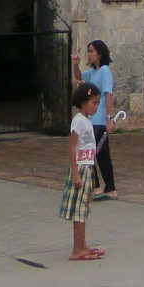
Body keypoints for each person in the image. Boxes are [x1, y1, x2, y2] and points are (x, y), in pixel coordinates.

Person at [61, 82, 104, 261]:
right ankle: (76, 249)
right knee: (79, 211)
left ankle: (83, 244)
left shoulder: (85, 120)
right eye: (94, 103)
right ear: (84, 102)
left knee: (83, 209)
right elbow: (71, 148)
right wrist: (76, 174)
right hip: (81, 168)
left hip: (88, 167)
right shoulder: (78, 121)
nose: (96, 107)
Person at [81, 39, 117, 198]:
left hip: (100, 120)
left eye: (91, 51)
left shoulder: (105, 71)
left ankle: (98, 188)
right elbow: (79, 76)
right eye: (88, 51)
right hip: (92, 121)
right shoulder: (93, 73)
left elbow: (108, 95)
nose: (89, 55)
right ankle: (109, 189)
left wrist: (110, 118)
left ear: (99, 54)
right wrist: (75, 64)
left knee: (92, 153)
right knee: (100, 155)